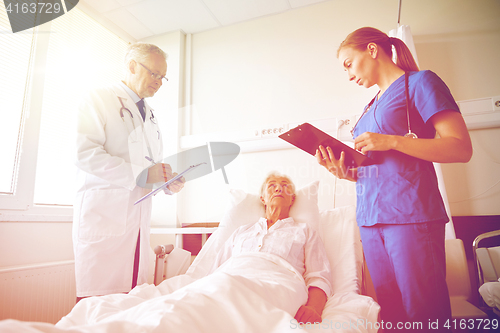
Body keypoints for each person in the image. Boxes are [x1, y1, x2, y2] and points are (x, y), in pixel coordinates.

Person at [315, 27, 472, 330]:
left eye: (348, 64)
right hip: (371, 220)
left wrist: (392, 141)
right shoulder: (369, 108)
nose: (348, 75)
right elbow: (376, 169)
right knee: (392, 314)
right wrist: (343, 172)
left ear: (372, 50)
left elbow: (461, 147)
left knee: (424, 313)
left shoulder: (420, 83)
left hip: (410, 215)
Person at [73, 42, 184, 301]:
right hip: (104, 219)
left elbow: (148, 169)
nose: (158, 81)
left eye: (162, 77)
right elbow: (84, 153)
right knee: (95, 309)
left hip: (137, 224)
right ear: (132, 66)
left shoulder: (150, 115)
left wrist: (166, 181)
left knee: (130, 307)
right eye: (154, 73)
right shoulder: (98, 98)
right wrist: (144, 175)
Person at [212, 172, 332, 324]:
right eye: (272, 186)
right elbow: (217, 269)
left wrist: (314, 308)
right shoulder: (241, 231)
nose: (278, 189)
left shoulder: (305, 231)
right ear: (263, 198)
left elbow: (319, 276)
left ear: (292, 199)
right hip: (231, 279)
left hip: (279, 284)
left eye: (285, 186)